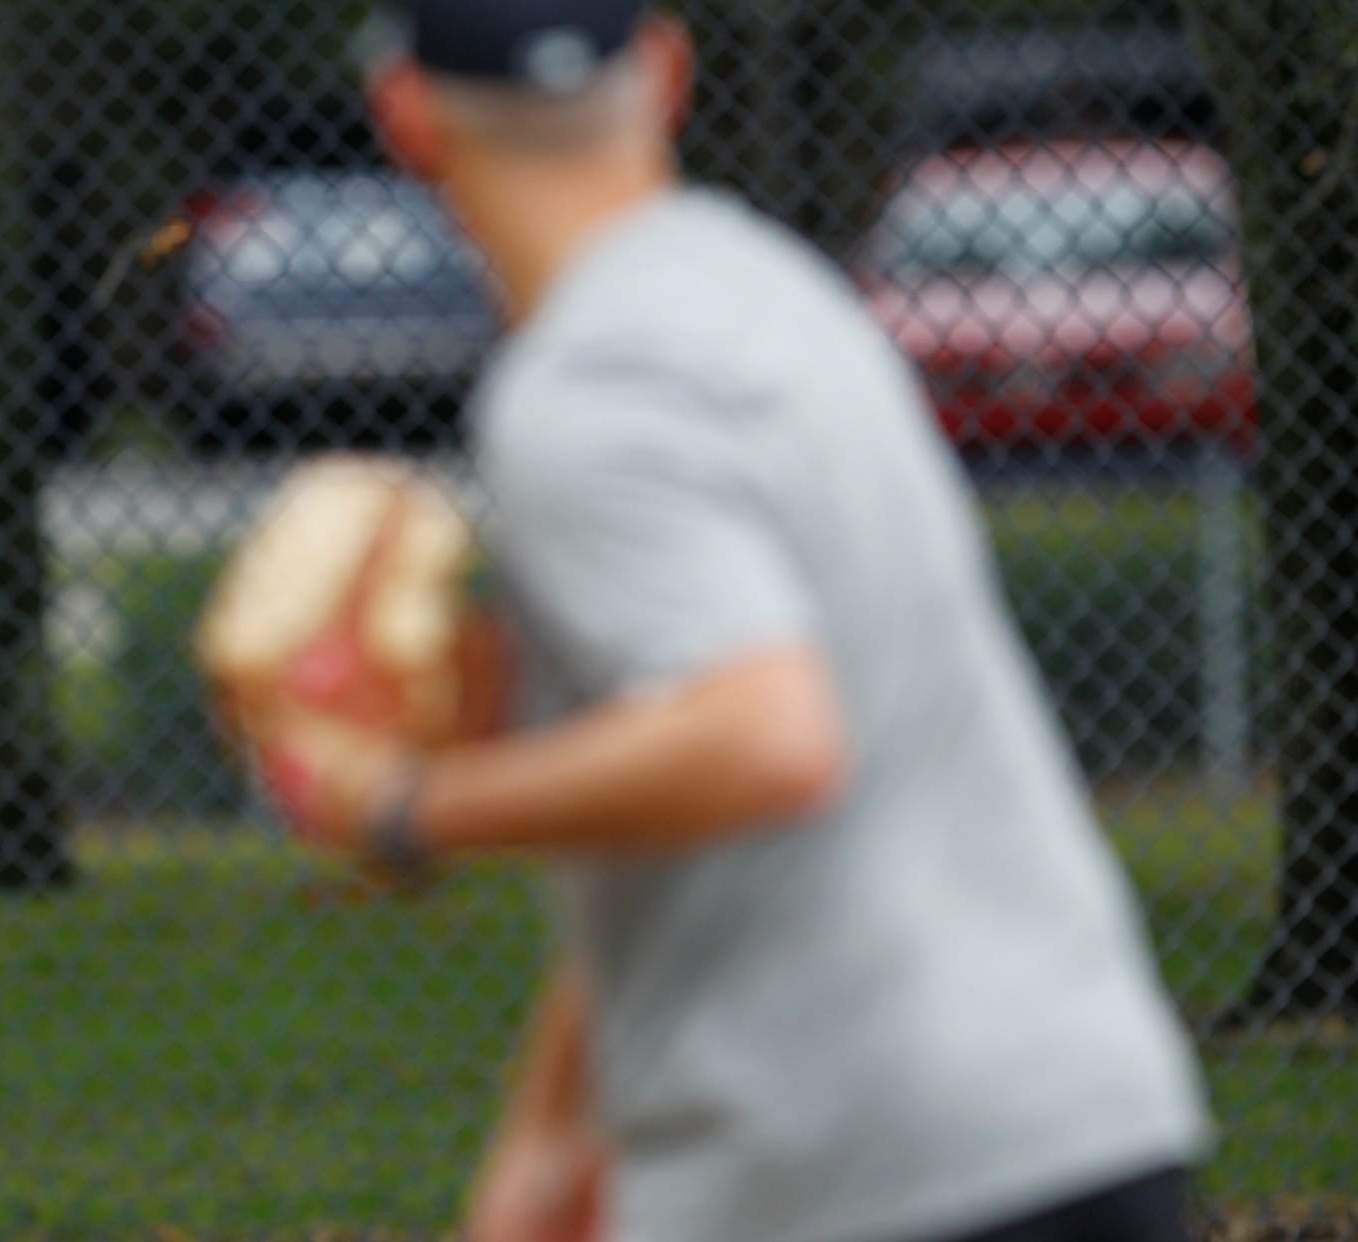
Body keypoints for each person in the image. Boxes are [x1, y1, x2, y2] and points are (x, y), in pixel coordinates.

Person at [268, 4, 1215, 1241]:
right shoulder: (783, 296)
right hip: (1078, 1111)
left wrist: (401, 805)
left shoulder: (582, 388)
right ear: (664, 67)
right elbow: (694, 782)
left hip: (870, 1165)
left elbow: (763, 735)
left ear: (406, 114)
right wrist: (551, 1145)